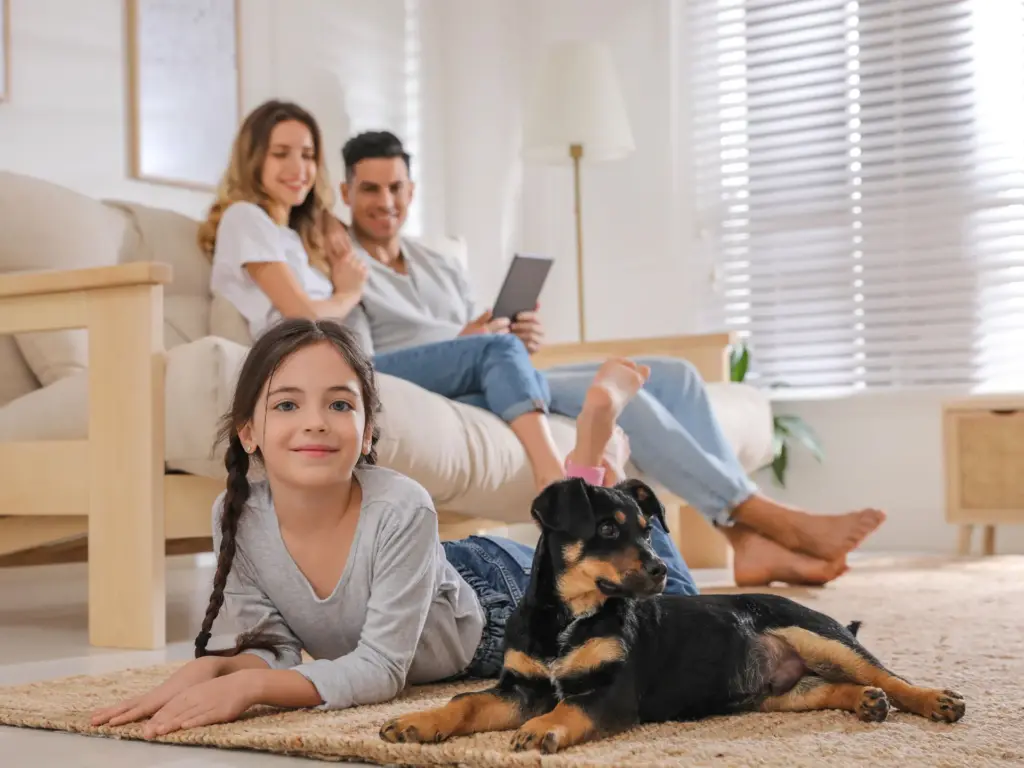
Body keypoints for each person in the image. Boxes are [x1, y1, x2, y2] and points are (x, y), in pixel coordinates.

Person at [331, 129, 888, 588]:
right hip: (446, 384)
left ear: (411, 189)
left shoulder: (437, 261)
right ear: (346, 192)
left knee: (675, 376)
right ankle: (759, 514)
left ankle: (744, 543)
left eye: (396, 187)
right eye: (370, 189)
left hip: (498, 370)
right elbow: (360, 360)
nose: (386, 202)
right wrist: (469, 341)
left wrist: (511, 335)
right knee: (626, 400)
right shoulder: (344, 266)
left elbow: (479, 332)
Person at [89, 318, 697, 737]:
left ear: (368, 433)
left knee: (675, 616)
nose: (315, 422)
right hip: (437, 574)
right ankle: (592, 473)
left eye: (339, 404)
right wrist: (215, 670)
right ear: (249, 432)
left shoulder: (402, 504)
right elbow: (273, 651)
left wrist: (251, 692)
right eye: (287, 404)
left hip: (496, 596)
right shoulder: (236, 512)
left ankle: (596, 462)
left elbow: (381, 670)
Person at [197, 99, 618, 494]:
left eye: (307, 155)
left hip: (343, 363)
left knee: (495, 387)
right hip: (326, 368)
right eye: (281, 153)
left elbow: (319, 232)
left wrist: (328, 232)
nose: (298, 168)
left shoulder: (293, 235)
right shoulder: (244, 218)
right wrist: (347, 292)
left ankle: (600, 451)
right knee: (500, 350)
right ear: (253, 159)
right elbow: (302, 315)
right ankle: (553, 479)